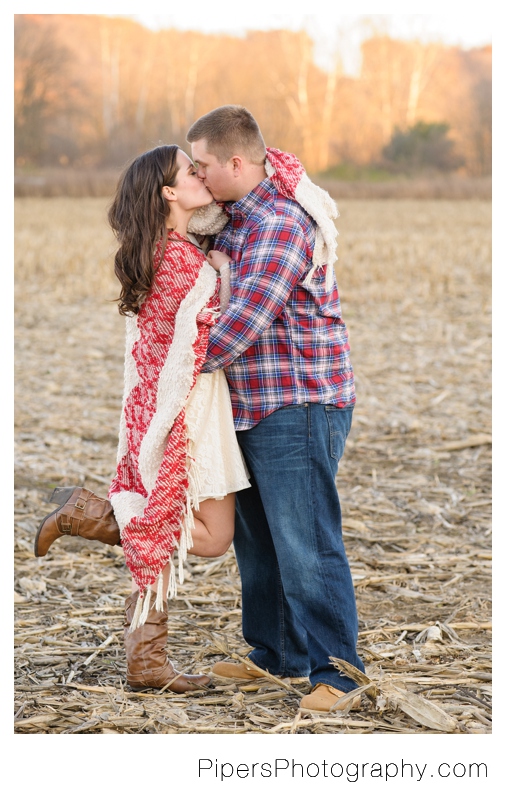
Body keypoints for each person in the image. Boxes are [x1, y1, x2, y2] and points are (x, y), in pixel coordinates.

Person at [34, 144, 251, 693]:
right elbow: (202, 336)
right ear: (168, 193)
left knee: (188, 531)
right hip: (190, 410)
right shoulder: (178, 259)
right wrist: (222, 270)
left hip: (180, 404)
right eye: (189, 171)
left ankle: (145, 661)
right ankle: (88, 517)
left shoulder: (167, 246)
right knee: (209, 537)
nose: (202, 175)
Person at [186, 105, 366, 713]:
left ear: (236, 162)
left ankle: (339, 675)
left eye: (204, 166)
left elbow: (244, 323)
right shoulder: (233, 221)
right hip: (253, 404)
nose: (199, 175)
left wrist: (170, 368)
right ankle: (277, 657)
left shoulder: (280, 223)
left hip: (299, 399)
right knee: (258, 543)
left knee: (306, 542)